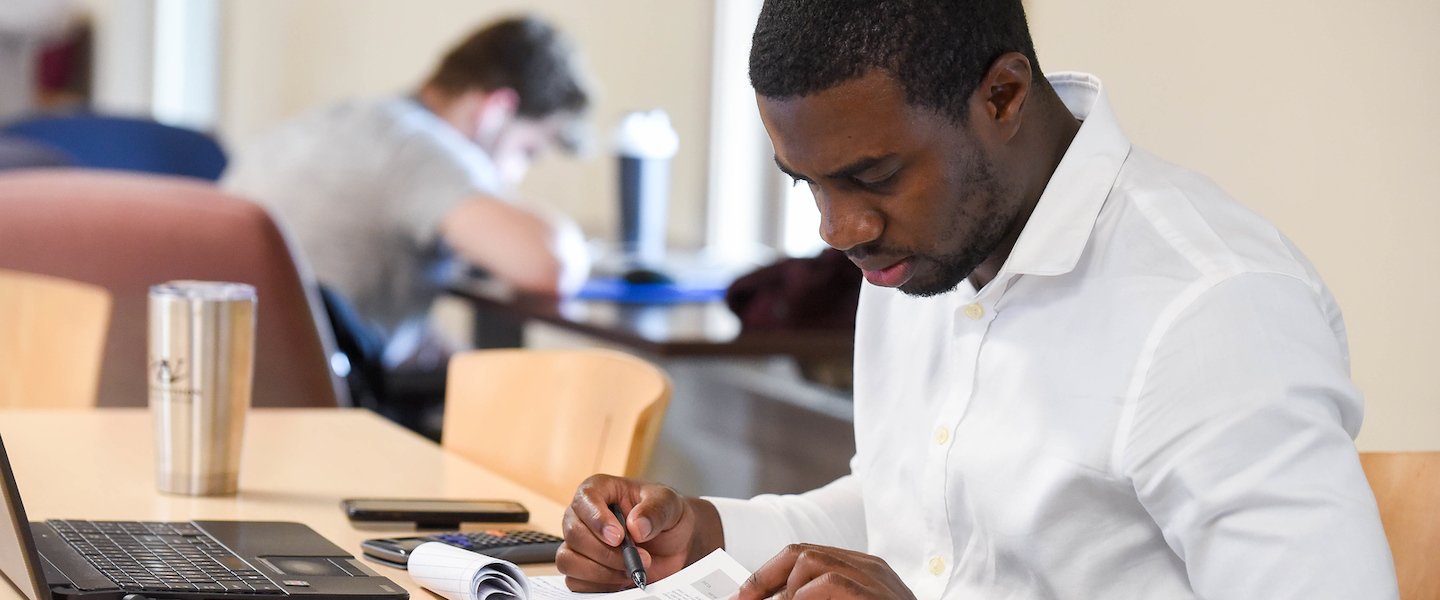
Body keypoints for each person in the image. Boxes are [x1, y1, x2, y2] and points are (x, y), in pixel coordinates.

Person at [555, 1, 1398, 599]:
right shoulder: (921, 247)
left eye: (870, 176)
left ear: (1003, 96)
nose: (838, 227)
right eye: (805, 182)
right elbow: (916, 514)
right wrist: (705, 535)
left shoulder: (1213, 309)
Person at [223, 16, 592, 370]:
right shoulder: (420, 148)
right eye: (526, 151)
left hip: (241, 377)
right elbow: (552, 265)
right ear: (495, 109)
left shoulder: (334, 123)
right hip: (327, 398)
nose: (515, 175)